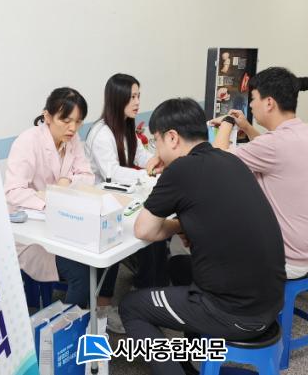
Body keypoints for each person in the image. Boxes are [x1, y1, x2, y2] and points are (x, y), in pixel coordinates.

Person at [119, 98, 285, 375]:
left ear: (172, 138)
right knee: (178, 267)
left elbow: (143, 230)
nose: (156, 151)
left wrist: (175, 225)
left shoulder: (181, 170)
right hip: (270, 301)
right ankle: (191, 363)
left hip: (236, 313)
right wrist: (182, 226)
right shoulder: (230, 160)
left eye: (156, 142)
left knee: (131, 306)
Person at [3, 88, 123, 331]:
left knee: (109, 250)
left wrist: (67, 182)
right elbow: (13, 191)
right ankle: (63, 333)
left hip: (68, 221)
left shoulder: (72, 140)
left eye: (78, 122)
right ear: (47, 116)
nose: (72, 128)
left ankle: (99, 312)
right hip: (32, 233)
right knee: (82, 273)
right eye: (65, 120)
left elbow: (87, 175)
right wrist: (51, 198)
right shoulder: (28, 142)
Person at [211, 67, 308, 279]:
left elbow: (218, 158)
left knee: (208, 231)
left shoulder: (274, 144)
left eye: (253, 99)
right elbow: (274, 153)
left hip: (284, 257)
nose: (250, 105)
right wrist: (247, 127)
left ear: (269, 103)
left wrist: (227, 122)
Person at [84, 74, 169, 289]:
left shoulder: (126, 126)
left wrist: (156, 160)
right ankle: (146, 284)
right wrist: (146, 174)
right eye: (132, 97)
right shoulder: (101, 133)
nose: (137, 102)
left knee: (156, 227)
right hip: (104, 201)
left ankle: (151, 283)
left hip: (124, 194)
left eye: (138, 96)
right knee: (151, 228)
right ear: (117, 98)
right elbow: (111, 172)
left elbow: (139, 155)